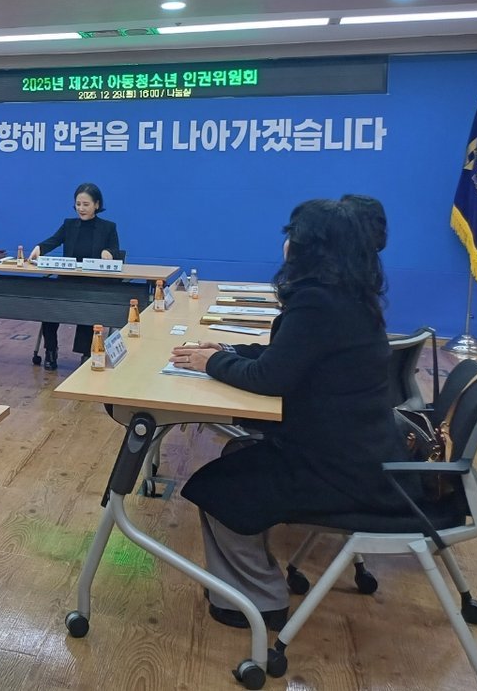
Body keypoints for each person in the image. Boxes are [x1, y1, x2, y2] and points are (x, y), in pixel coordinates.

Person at [170, 199, 409, 631]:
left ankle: (259, 600)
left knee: (217, 487)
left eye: (292, 236)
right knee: (237, 453)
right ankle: (241, 583)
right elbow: (290, 357)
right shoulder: (348, 295)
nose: (285, 244)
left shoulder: (317, 302)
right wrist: (227, 351)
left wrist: (211, 363)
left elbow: (270, 377)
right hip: (361, 453)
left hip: (339, 470)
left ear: (312, 247)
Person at [27, 182, 120, 371]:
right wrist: (39, 248)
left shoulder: (108, 227)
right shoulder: (69, 225)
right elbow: (53, 240)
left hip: (94, 283)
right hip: (67, 281)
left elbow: (116, 251)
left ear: (97, 204)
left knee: (89, 306)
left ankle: (86, 353)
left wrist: (109, 253)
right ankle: (50, 350)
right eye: (78, 204)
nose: (81, 208)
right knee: (49, 306)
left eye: (86, 204)